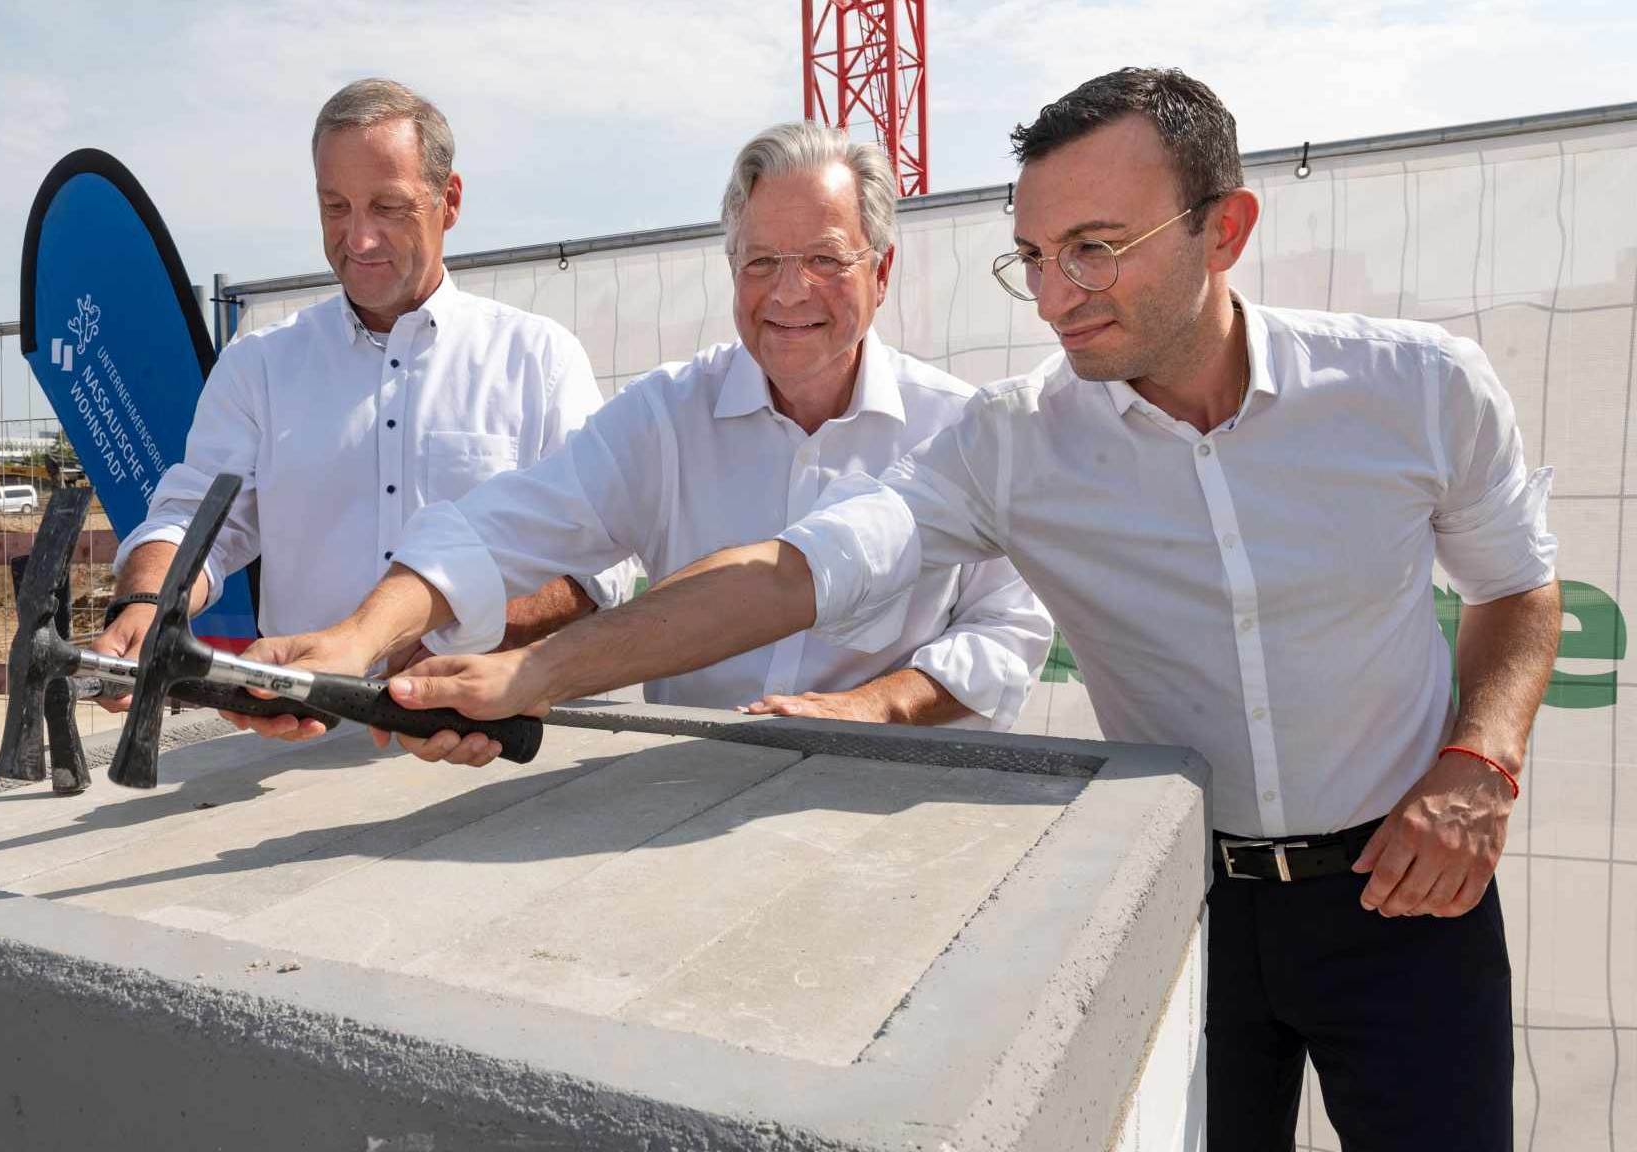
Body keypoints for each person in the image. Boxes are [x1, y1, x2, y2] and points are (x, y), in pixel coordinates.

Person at [296, 69, 1561, 1151]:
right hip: (1182, 906)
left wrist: (1481, 759)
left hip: (1410, 898)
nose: (1061, 292)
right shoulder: (1014, 446)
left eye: (1098, 248)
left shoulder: (1417, 388)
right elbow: (791, 571)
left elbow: (1518, 582)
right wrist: (529, 674)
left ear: (1224, 228)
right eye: (1037, 257)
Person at [225, 122, 1052, 762]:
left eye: (824, 259)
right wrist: (362, 638)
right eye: (760, 260)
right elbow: (497, 526)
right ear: (729, 269)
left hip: (889, 796)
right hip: (684, 790)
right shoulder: (668, 418)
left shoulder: (957, 427)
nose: (789, 291)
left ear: (883, 269)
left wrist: (877, 705)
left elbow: (1008, 631)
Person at [90, 78, 628, 699]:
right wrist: (146, 602)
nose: (359, 238)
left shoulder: (538, 360)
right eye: (335, 207)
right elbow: (196, 517)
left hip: (489, 732)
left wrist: (460, 644)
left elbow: (603, 562)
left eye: (388, 207)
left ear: (448, 201)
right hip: (301, 732)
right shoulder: (261, 365)